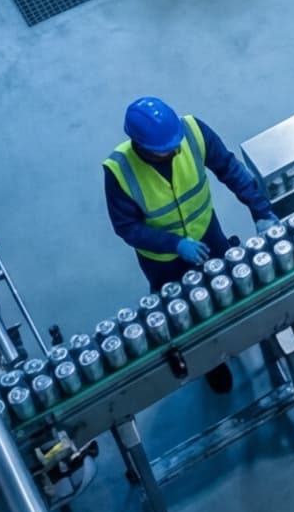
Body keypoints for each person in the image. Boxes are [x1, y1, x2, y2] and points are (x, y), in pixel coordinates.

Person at [104, 97, 276, 394]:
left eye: (175, 142)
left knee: (229, 288)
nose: (175, 150)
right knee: (184, 317)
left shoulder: (192, 132)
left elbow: (230, 169)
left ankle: (242, 334)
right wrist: (174, 244)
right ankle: (211, 362)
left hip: (208, 234)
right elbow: (127, 227)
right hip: (163, 260)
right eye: (165, 149)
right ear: (140, 146)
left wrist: (261, 211)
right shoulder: (119, 171)